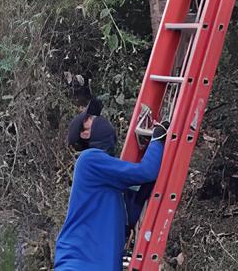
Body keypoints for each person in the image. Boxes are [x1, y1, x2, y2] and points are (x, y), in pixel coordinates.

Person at [53, 110, 167, 271]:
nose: (96, 118)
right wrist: (158, 138)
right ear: (85, 134)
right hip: (79, 264)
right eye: (89, 119)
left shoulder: (107, 177)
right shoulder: (89, 160)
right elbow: (146, 172)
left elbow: (136, 199)